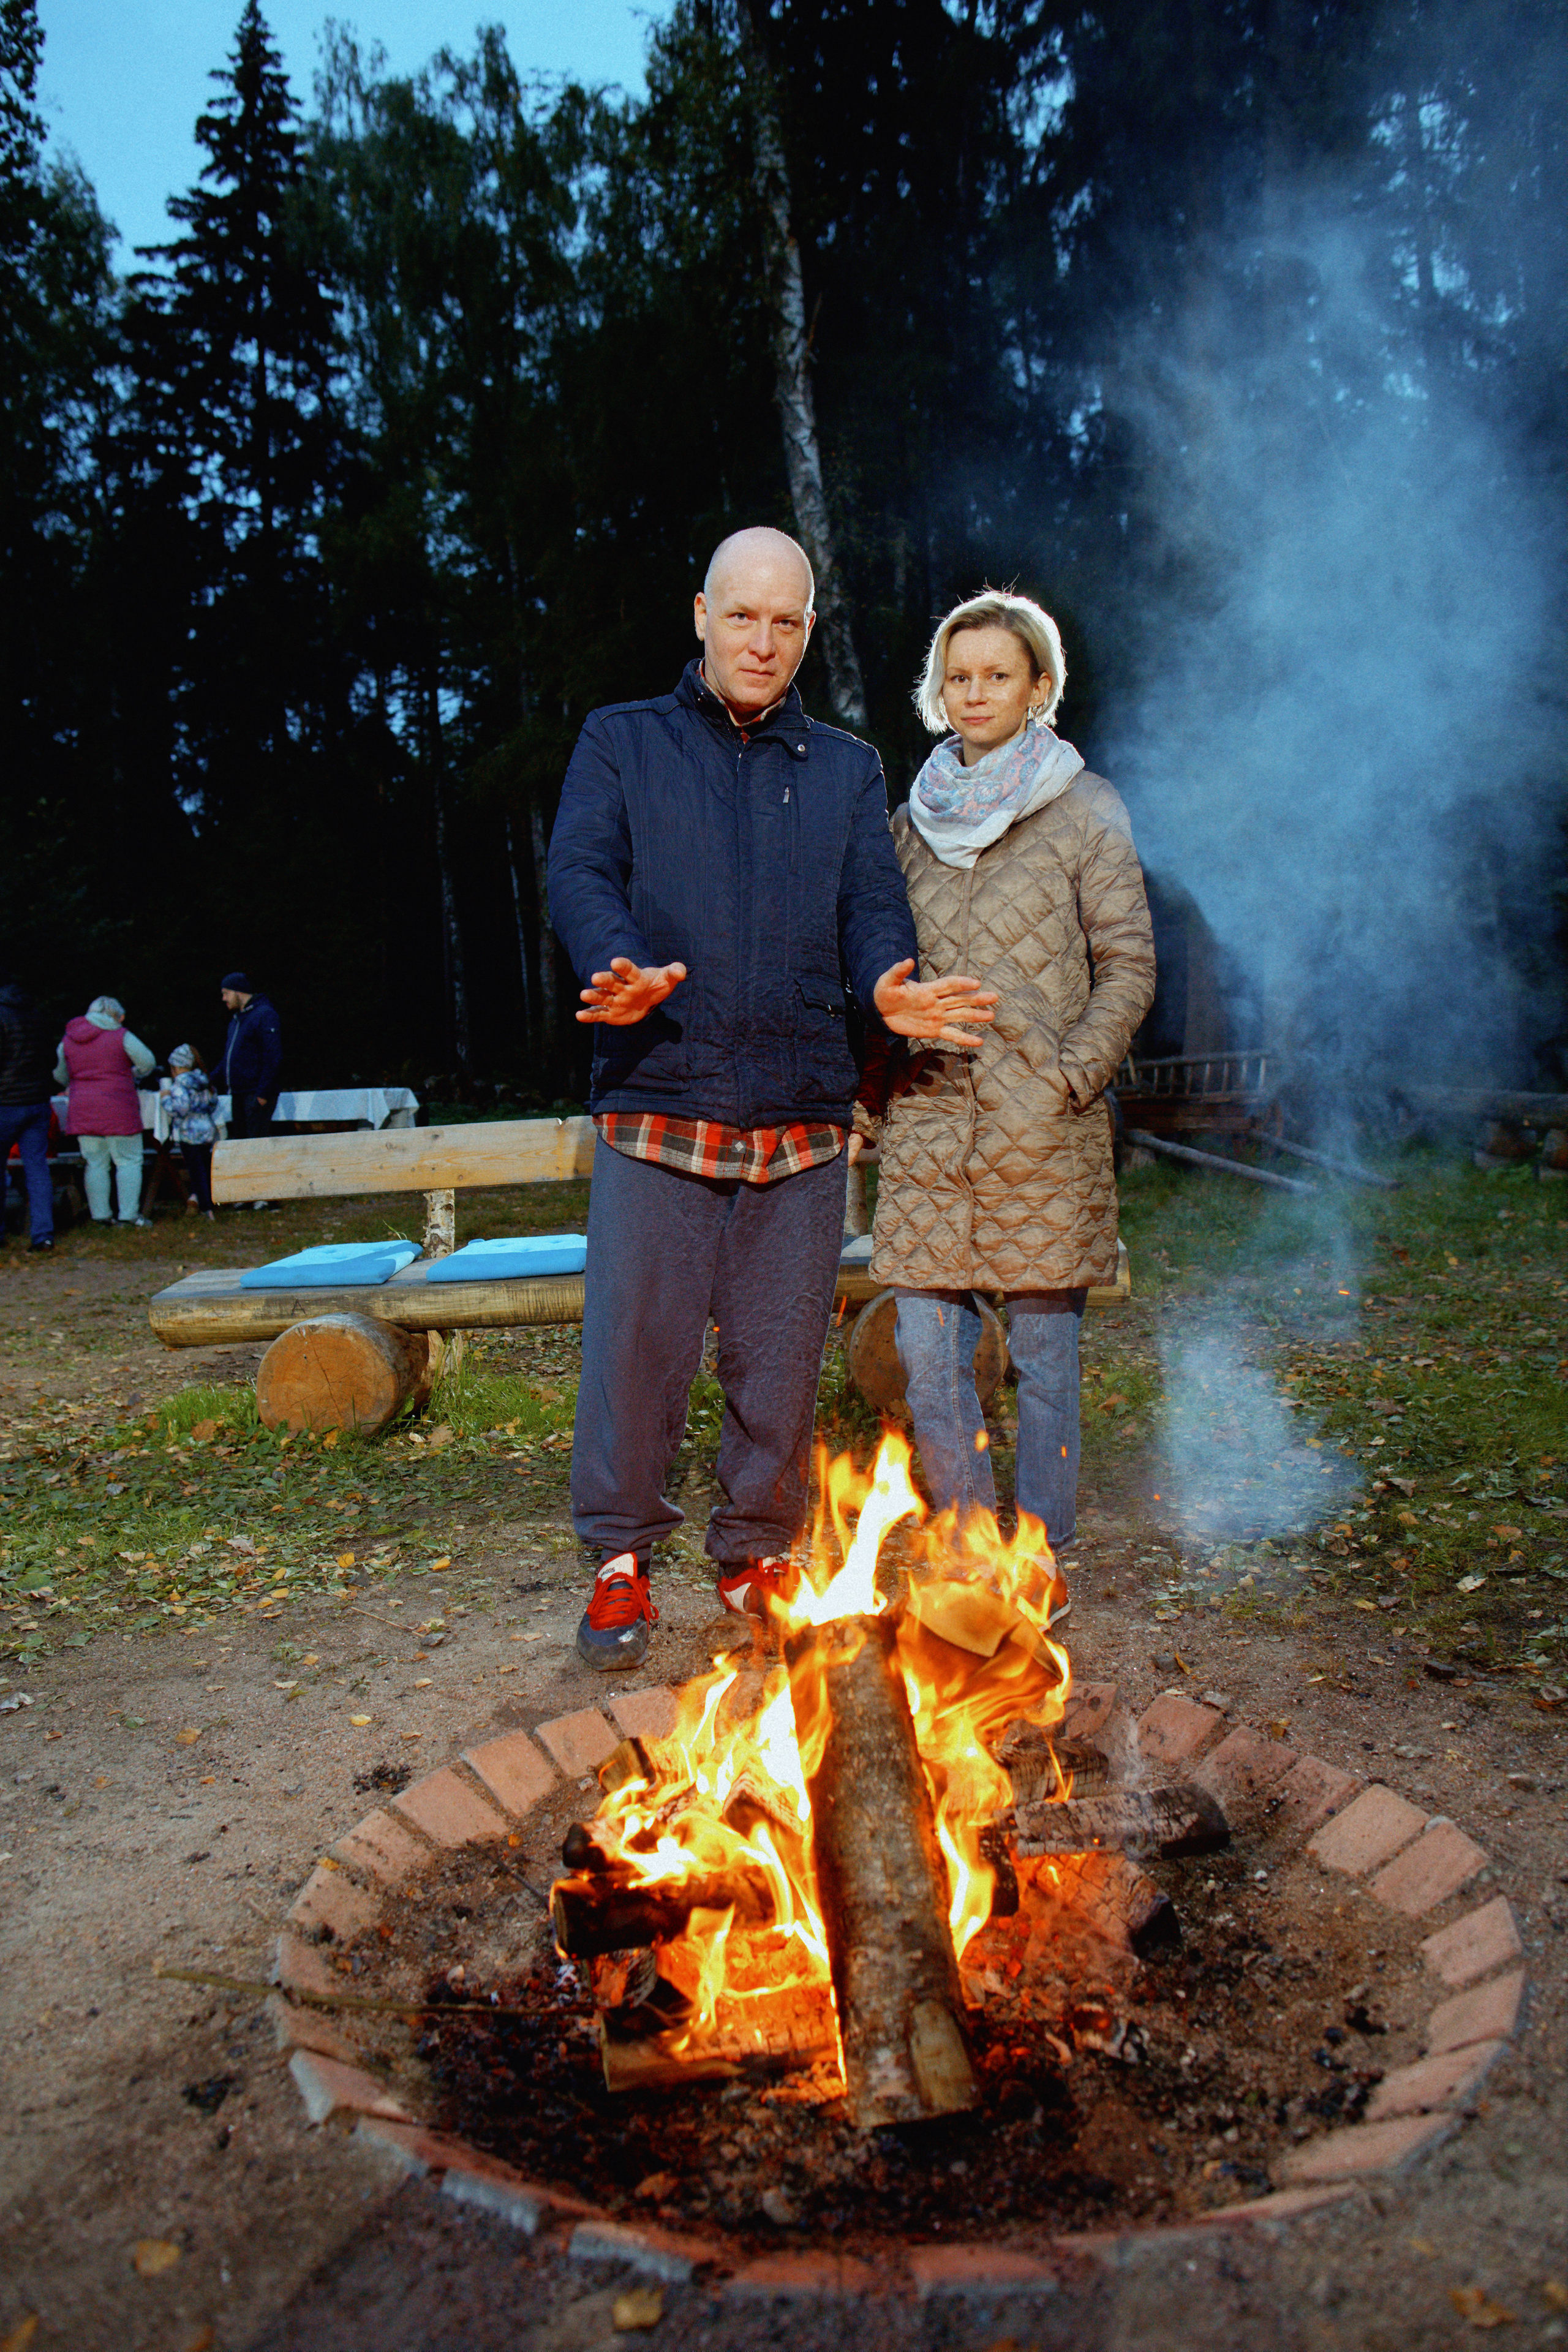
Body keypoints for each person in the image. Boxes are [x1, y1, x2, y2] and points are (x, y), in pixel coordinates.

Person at [547, 525, 995, 1669]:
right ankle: (618, 1558)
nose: (763, 640)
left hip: (799, 1099)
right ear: (700, 614)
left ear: (807, 631)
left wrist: (883, 978)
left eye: (786, 621)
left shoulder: (844, 767)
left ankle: (756, 1547)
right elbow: (580, 870)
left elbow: (872, 903)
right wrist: (615, 960)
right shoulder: (622, 741)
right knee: (636, 1349)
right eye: (741, 615)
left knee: (779, 1353)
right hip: (662, 1085)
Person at [862, 589, 1156, 1588]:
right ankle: (966, 1544)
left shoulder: (1087, 808)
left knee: (1044, 1363)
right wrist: (872, 1090)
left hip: (1046, 1129)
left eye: (997, 674)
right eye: (959, 676)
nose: (975, 692)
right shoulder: (906, 826)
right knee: (927, 1356)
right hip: (929, 1125)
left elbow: (1128, 965)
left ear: (1040, 687)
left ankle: (1042, 1553)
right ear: (939, 692)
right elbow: (877, 969)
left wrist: (1073, 1078)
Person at [55, 995, 157, 1227]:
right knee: (128, 1160)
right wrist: (133, 1074)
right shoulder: (121, 1036)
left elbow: (60, 1075)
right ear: (114, 1015)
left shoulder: (68, 1039)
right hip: (118, 1106)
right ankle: (129, 1216)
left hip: (83, 1108)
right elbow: (148, 1062)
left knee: (95, 1163)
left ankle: (100, 1216)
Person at [0, 973, 58, 1253]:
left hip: (5, 1103)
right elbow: (53, 1060)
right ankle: (43, 1235)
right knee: (37, 1168)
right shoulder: (37, 1017)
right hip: (37, 1102)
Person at [215, 974, 282, 1140]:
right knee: (241, 1142)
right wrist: (208, 1080)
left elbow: (273, 1055)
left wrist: (263, 1094)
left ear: (239, 991)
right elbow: (229, 1059)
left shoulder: (264, 1015)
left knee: (255, 1143)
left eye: (226, 993)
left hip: (254, 1094)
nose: (224, 999)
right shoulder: (237, 1021)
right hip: (239, 1093)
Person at [162, 1045, 219, 1218]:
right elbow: (213, 1103)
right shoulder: (203, 1080)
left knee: (196, 1172)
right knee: (207, 1168)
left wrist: (165, 1098)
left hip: (190, 1132)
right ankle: (212, 1203)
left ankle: (206, 1208)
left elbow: (180, 1109)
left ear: (176, 1067)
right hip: (207, 1130)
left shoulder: (180, 1083)